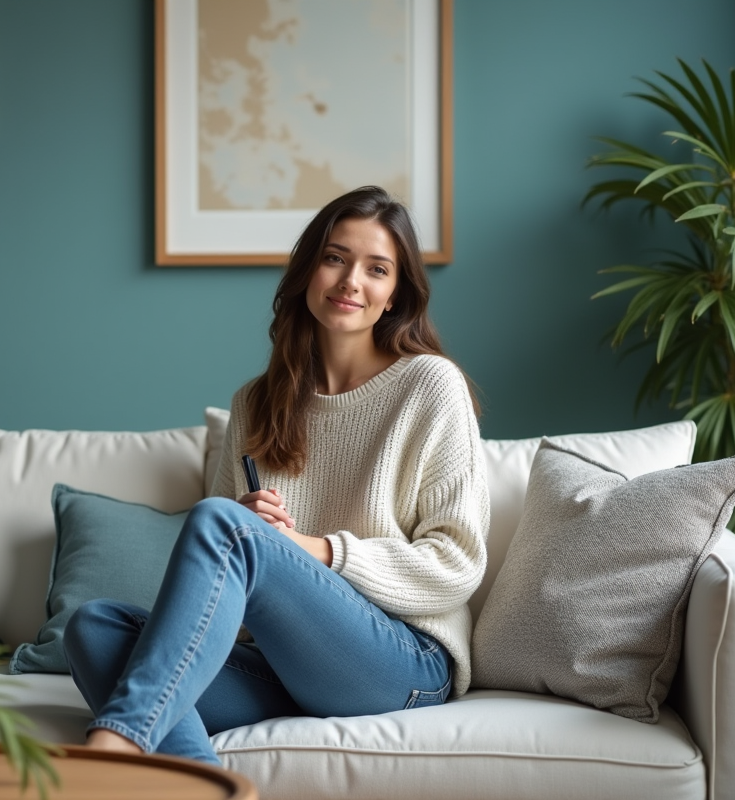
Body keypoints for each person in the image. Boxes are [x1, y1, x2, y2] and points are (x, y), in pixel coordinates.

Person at [63, 186, 489, 765]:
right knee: (94, 627)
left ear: (394, 295)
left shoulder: (430, 387)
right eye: (335, 258)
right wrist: (251, 543)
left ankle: (119, 738)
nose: (350, 282)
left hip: (402, 661)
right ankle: (203, 782)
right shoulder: (255, 404)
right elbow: (216, 596)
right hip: (287, 666)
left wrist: (308, 551)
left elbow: (456, 565)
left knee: (223, 524)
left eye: (377, 269)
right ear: (307, 270)